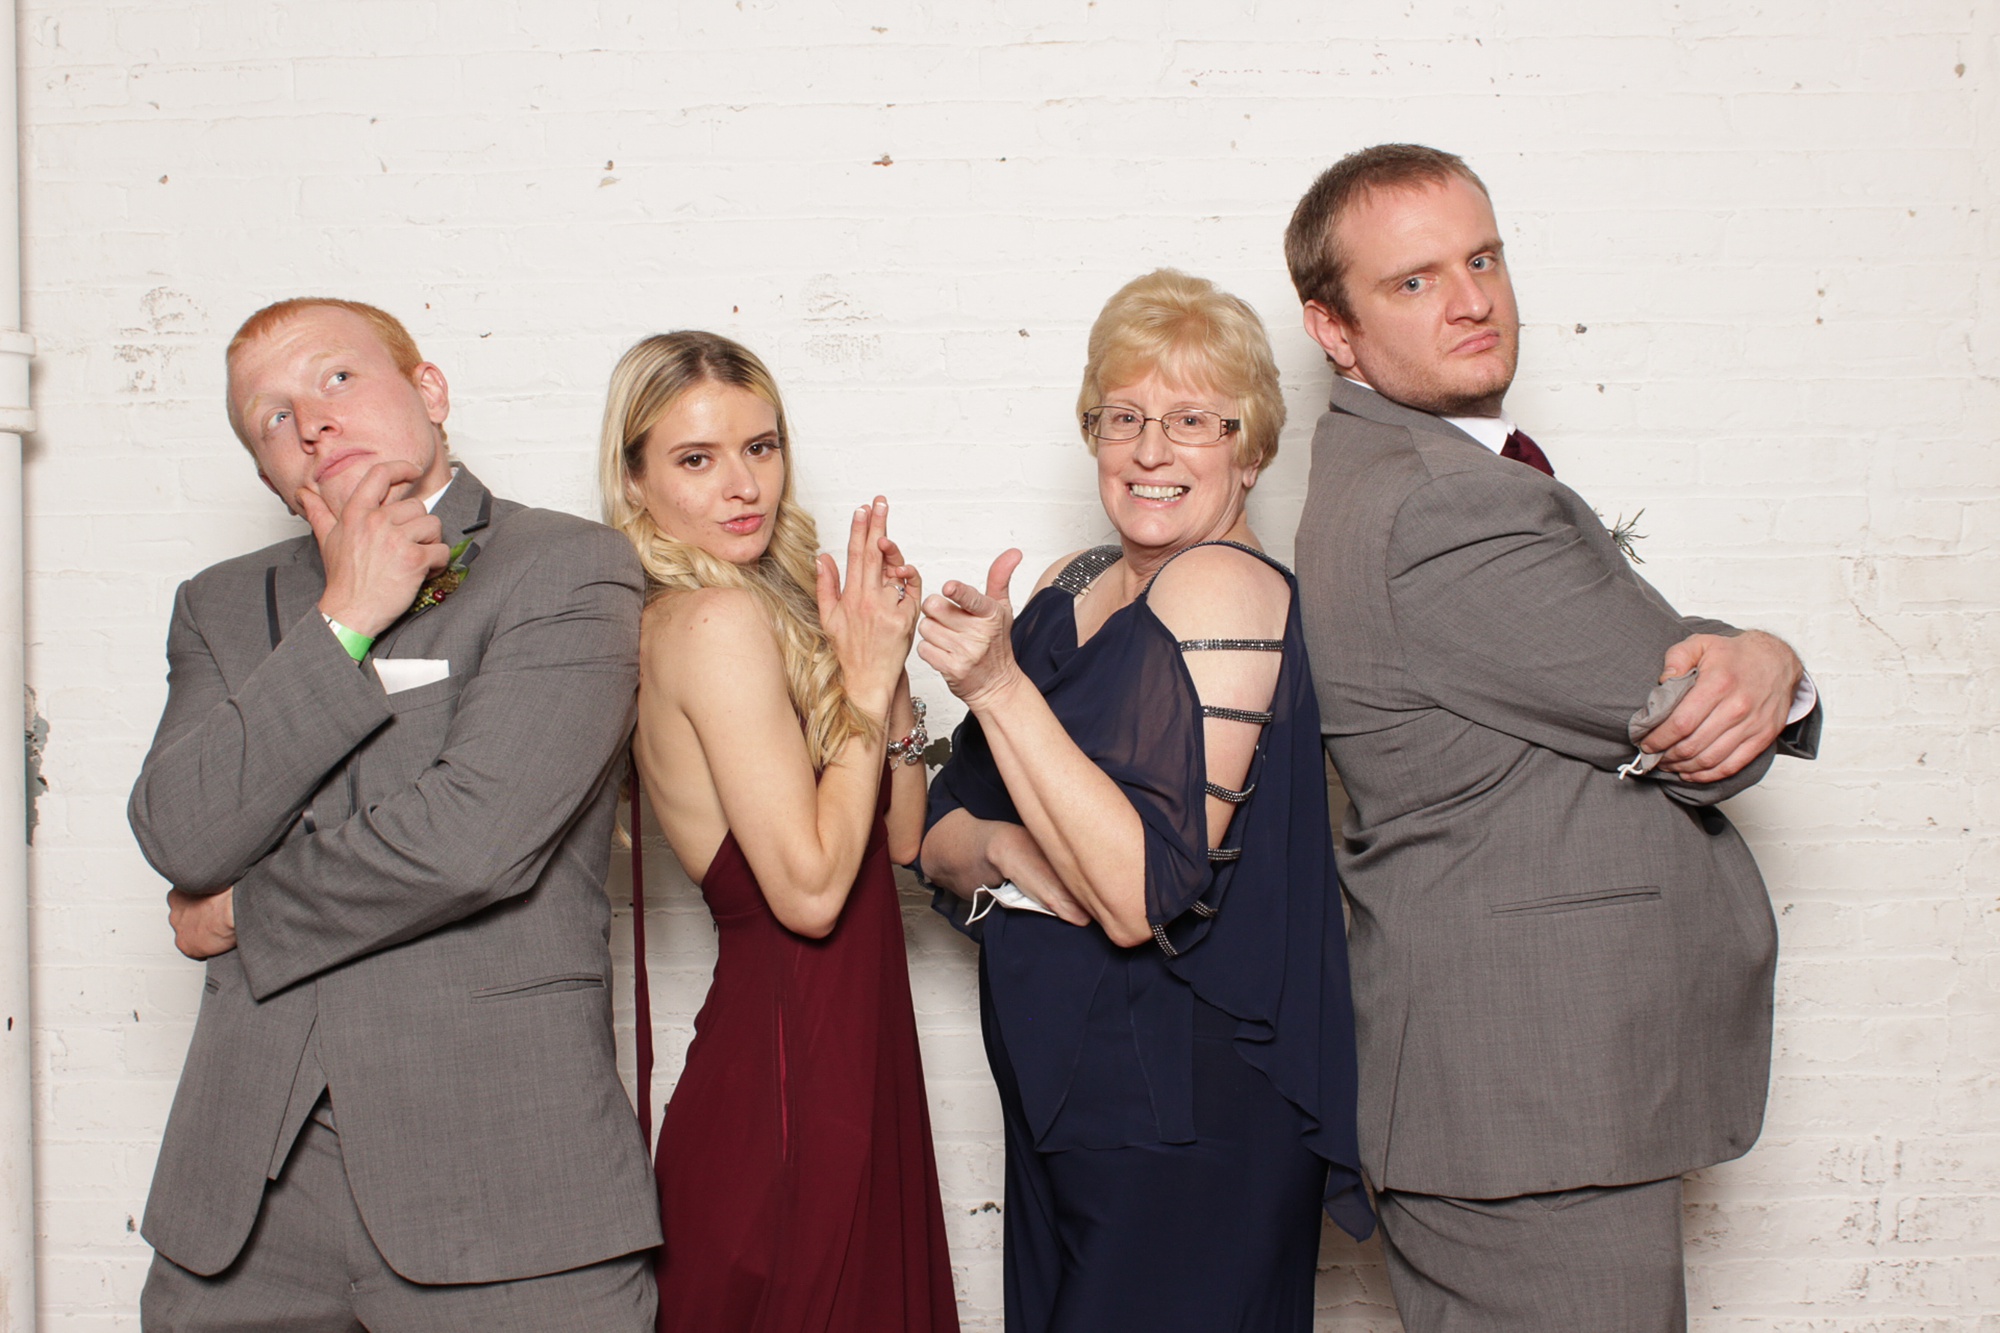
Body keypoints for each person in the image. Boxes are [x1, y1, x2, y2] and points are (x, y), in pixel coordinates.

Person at [1284, 143, 1824, 1331]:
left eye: (1480, 257)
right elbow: (1697, 718)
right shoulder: (1441, 501)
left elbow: (1644, 665)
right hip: (1531, 1103)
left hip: (1511, 1098)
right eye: (1412, 281)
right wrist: (1767, 665)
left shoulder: (1406, 470)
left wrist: (1750, 658)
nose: (1470, 297)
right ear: (1332, 330)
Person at [128, 298, 661, 1330]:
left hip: (505, 1192)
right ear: (266, 473)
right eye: (271, 417)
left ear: (429, 390)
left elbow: (472, 840)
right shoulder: (220, 606)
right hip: (240, 1210)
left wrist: (238, 911)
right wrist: (346, 618)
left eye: (336, 379)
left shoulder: (566, 568)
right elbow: (182, 832)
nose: (311, 422)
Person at [918, 269, 1373, 1333]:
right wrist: (1012, 847)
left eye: (1191, 421)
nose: (1149, 450)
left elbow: (1134, 895)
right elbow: (931, 831)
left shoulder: (1222, 588)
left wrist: (992, 687)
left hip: (1183, 1110)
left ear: (1250, 450)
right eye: (1121, 417)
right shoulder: (1072, 586)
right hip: (1065, 1101)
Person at [597, 331, 958, 1333]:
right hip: (791, 1070)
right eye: (695, 459)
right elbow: (806, 893)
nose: (740, 485)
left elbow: (895, 838)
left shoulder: (772, 605)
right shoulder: (708, 623)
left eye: (761, 447)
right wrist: (866, 680)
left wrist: (880, 692)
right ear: (634, 481)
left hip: (842, 1047)